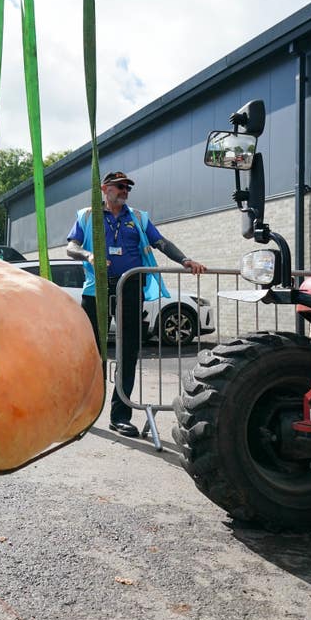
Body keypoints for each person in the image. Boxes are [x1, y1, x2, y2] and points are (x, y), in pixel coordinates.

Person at [65, 171, 206, 438]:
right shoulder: (86, 215)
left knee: (128, 351)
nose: (125, 191)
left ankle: (120, 416)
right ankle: (83, 414)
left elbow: (161, 242)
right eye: (120, 187)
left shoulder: (138, 217)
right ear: (105, 189)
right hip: (97, 290)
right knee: (91, 353)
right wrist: (88, 255)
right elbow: (71, 247)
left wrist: (185, 260)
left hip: (131, 287)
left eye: (128, 187)